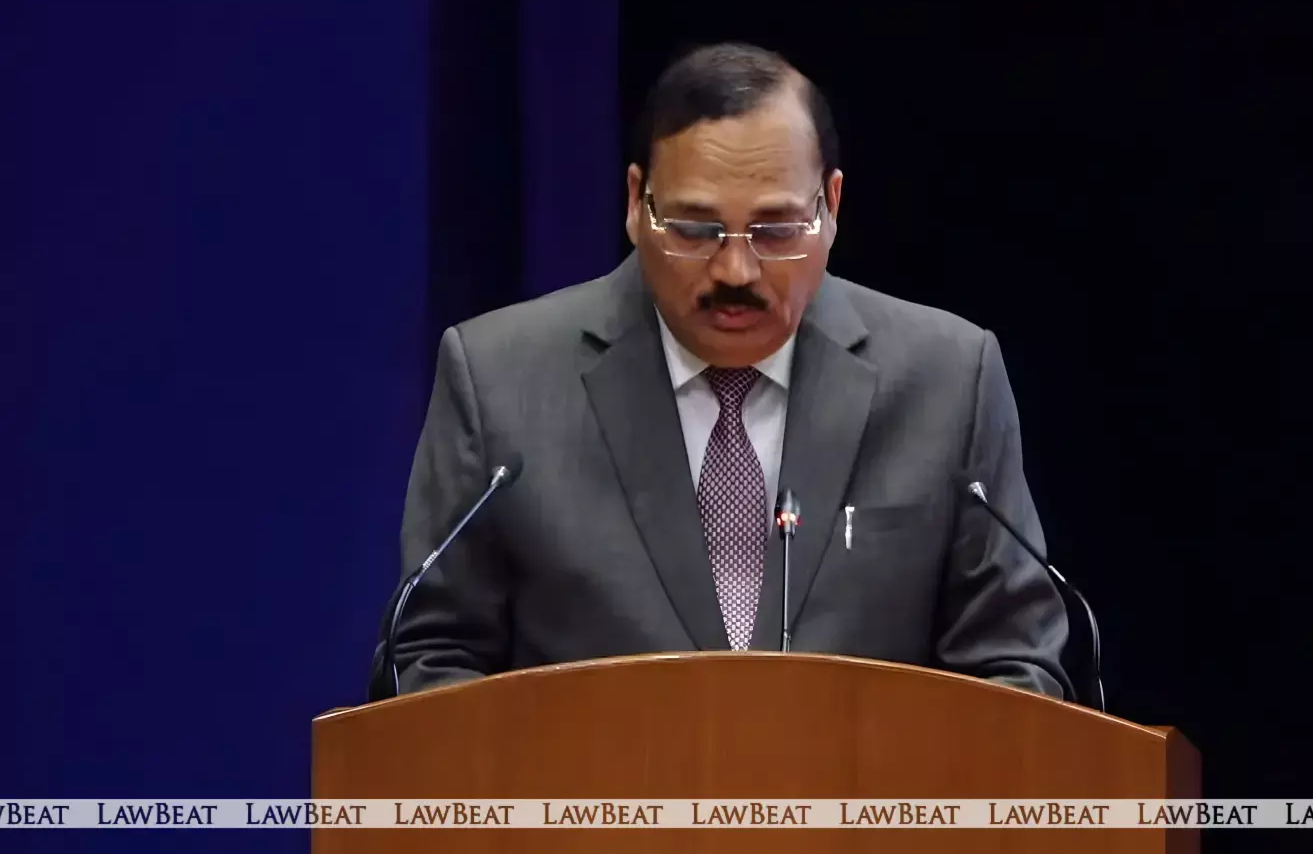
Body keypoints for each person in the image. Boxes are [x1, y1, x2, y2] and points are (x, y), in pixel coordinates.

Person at [370, 42, 1072, 701]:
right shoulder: (501, 379)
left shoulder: (947, 380)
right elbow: (429, 660)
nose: (735, 271)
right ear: (636, 204)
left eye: (774, 232)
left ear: (830, 207)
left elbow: (1015, 666)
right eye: (695, 231)